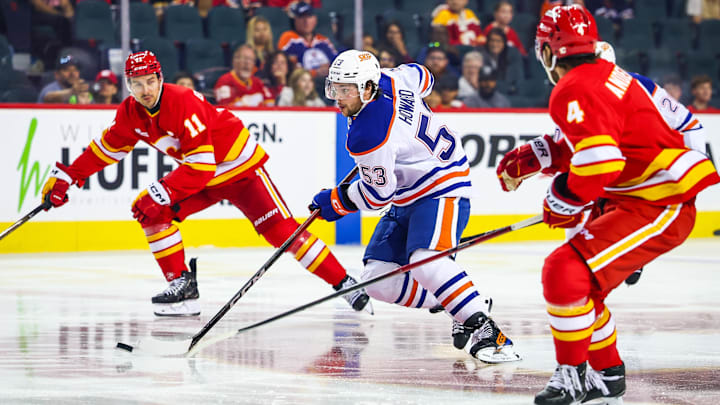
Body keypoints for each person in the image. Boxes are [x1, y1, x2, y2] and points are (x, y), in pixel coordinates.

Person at [494, 6, 718, 404]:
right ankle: (607, 374)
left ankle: (573, 377)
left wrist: (561, 199)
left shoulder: (573, 87)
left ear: (547, 51)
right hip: (645, 195)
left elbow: (601, 160)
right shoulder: (607, 75)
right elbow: (598, 140)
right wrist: (536, 156)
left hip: (655, 201)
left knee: (564, 270)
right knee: (581, 286)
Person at [40, 51, 372, 317]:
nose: (144, 91)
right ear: (128, 85)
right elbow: (106, 149)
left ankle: (345, 283)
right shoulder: (130, 113)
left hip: (238, 169)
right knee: (150, 212)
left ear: (160, 79)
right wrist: (68, 176)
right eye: (136, 84)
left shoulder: (182, 101)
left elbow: (201, 166)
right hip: (203, 173)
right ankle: (182, 286)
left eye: (149, 82)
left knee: (282, 233)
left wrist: (164, 190)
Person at [311, 49, 521, 363]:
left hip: (441, 185)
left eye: (346, 90)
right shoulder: (392, 77)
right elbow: (424, 76)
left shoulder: (367, 134)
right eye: (335, 89)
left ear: (368, 88)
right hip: (410, 192)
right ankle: (461, 301)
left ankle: (486, 329)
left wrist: (336, 201)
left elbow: (377, 197)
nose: (338, 99)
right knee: (377, 280)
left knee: (424, 260)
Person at [277, 1, 337, 79]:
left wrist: (329, 69)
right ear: (295, 20)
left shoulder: (323, 40)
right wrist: (315, 73)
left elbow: (337, 63)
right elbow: (288, 68)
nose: (306, 21)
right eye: (302, 17)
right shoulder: (288, 38)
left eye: (309, 16)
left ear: (315, 19)